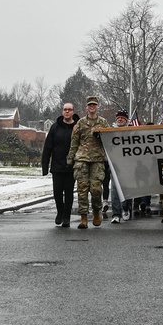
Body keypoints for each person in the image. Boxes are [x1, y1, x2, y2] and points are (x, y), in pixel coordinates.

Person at [67, 95, 110, 229]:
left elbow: (110, 141)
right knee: (82, 188)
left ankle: (97, 211)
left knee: (96, 189)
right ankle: (84, 217)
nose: (92, 107)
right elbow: (74, 141)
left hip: (97, 159)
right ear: (87, 107)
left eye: (94, 105)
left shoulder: (103, 123)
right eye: (90, 105)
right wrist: (70, 157)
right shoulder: (80, 123)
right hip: (82, 159)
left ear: (98, 106)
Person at [42, 99, 79, 228]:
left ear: (73, 112)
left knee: (68, 192)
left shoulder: (78, 127)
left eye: (69, 109)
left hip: (72, 166)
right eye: (65, 109)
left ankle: (66, 216)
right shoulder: (55, 127)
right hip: (57, 165)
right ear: (62, 112)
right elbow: (48, 147)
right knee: (57, 191)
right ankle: (59, 212)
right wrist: (45, 166)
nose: (67, 111)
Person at [108, 108, 131, 224]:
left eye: (122, 118)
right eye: (118, 118)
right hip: (115, 164)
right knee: (115, 190)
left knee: (127, 189)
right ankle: (116, 214)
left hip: (128, 164)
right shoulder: (109, 132)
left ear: (126, 119)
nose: (120, 120)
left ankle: (126, 208)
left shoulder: (131, 131)